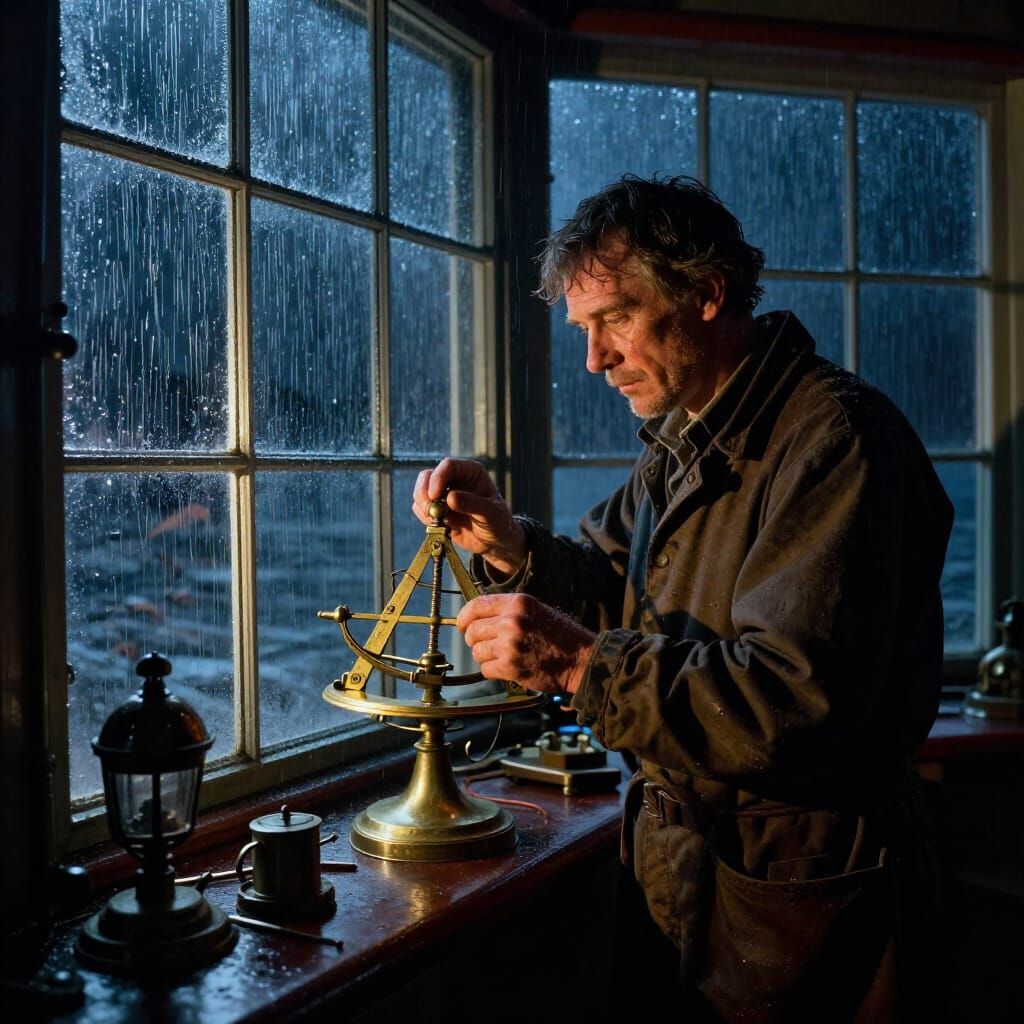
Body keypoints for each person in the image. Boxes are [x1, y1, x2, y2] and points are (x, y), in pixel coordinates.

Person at [413, 174, 955, 1022]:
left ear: (707, 295)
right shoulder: (691, 435)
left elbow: (788, 698)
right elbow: (607, 581)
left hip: (804, 902)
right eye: (584, 331)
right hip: (693, 876)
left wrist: (579, 664)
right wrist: (510, 546)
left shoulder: (837, 444)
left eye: (615, 320)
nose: (594, 360)